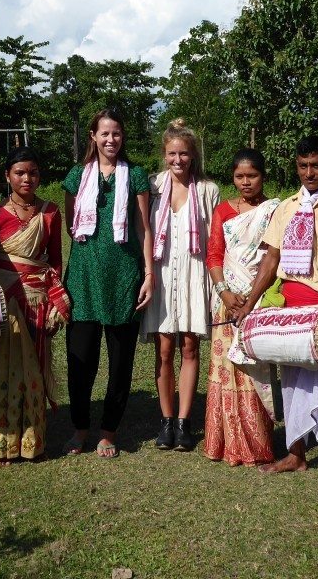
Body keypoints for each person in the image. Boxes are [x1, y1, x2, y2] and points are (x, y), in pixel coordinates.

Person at [233, 136, 318, 493]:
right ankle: (296, 454)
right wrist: (250, 302)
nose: (310, 173)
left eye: (317, 166)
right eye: (303, 166)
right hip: (289, 308)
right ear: (296, 167)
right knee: (290, 383)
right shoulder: (286, 209)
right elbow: (271, 260)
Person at [63, 108, 153, 458]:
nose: (111, 139)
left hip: (124, 275)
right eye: (104, 134)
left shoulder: (138, 175)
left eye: (116, 133)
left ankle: (109, 431)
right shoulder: (76, 176)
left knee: (121, 358)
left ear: (122, 137)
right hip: (84, 277)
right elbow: (73, 225)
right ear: (93, 137)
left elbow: (143, 227)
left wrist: (148, 275)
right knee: (80, 357)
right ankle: (79, 426)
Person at [0, 147, 68, 463]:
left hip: (36, 302)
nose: (26, 178)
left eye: (32, 172)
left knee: (33, 370)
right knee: (3, 370)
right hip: (4, 303)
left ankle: (32, 442)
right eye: (19, 172)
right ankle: (1, 444)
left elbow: (55, 260)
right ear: (8, 176)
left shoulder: (50, 212)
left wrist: (56, 303)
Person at [142, 120, 220, 451]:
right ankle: (166, 420)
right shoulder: (153, 186)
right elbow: (142, 229)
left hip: (193, 272)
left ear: (193, 156)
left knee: (189, 346)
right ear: (164, 155)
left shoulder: (207, 190)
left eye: (184, 154)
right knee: (163, 350)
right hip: (160, 272)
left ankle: (185, 422)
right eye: (172, 154)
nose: (178, 160)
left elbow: (216, 239)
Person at [203, 148, 280, 466]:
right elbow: (214, 255)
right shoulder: (222, 211)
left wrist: (251, 300)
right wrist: (223, 293)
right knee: (228, 372)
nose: (246, 182)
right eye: (239, 176)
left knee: (254, 371)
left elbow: (276, 259)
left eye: (252, 176)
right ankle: (224, 443)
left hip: (258, 302)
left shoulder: (275, 211)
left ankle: (257, 444)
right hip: (228, 303)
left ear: (263, 176)